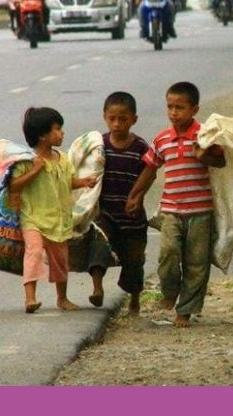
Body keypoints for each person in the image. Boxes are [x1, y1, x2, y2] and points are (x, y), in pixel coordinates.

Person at [125, 82, 225, 327]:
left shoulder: (205, 135)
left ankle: (186, 310)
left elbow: (221, 161)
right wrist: (135, 195)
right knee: (168, 253)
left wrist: (204, 156)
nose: (173, 112)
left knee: (196, 263)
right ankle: (170, 291)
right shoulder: (162, 139)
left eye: (180, 107)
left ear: (194, 109)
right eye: (170, 107)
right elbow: (150, 169)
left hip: (201, 211)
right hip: (171, 210)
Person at [10, 107, 97, 314]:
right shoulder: (27, 160)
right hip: (32, 218)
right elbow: (14, 186)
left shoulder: (63, 159)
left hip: (58, 220)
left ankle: (62, 298)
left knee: (60, 260)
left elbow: (67, 182)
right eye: (57, 129)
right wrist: (35, 170)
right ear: (42, 135)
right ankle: (30, 298)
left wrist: (83, 182)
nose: (62, 133)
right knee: (33, 253)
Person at [80, 92, 150, 315]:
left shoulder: (140, 147)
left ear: (134, 119)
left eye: (123, 119)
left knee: (134, 259)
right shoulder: (99, 146)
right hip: (105, 212)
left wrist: (137, 197)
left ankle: (135, 299)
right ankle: (97, 288)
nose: (117, 124)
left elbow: (149, 174)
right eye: (112, 118)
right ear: (105, 117)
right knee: (98, 246)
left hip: (132, 215)